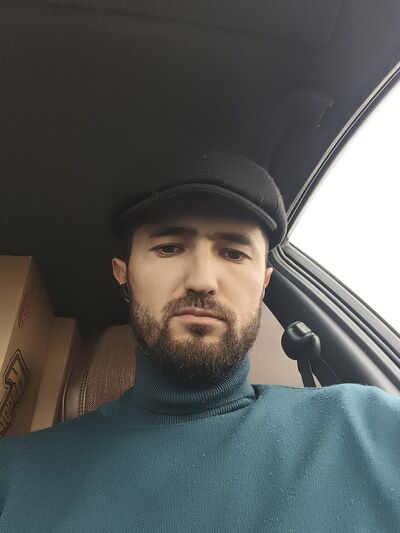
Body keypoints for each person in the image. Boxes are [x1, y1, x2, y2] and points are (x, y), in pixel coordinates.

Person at [0, 153, 399, 532]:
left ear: (264, 283)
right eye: (169, 248)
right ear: (124, 274)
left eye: (234, 253)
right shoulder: (14, 477)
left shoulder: (370, 428)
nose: (203, 280)